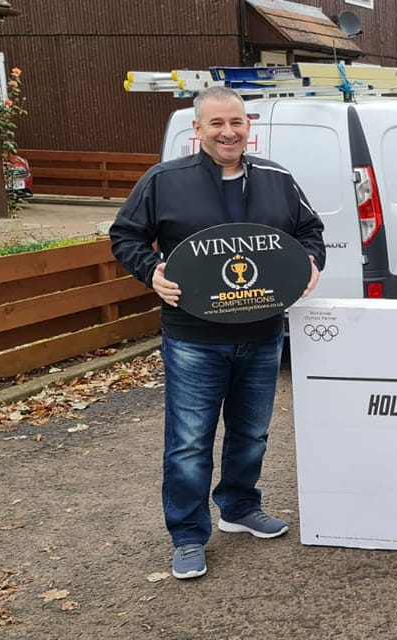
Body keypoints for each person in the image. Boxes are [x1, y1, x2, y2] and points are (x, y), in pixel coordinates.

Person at [110, 86, 325, 580]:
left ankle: (239, 506)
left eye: (236, 122)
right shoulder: (164, 181)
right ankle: (188, 534)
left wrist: (310, 262)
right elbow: (126, 235)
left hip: (263, 330)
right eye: (217, 124)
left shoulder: (277, 178)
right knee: (189, 442)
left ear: (249, 126)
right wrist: (152, 272)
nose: (228, 132)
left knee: (251, 431)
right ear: (198, 129)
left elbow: (309, 231)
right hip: (194, 337)